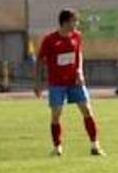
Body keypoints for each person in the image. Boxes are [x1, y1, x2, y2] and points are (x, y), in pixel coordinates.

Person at [34, 9, 104, 157]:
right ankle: (57, 147)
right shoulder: (50, 40)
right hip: (57, 83)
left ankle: (94, 146)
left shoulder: (77, 36)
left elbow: (78, 53)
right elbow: (40, 60)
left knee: (87, 110)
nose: (76, 24)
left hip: (75, 81)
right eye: (74, 21)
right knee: (56, 114)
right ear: (65, 22)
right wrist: (38, 82)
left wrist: (79, 70)